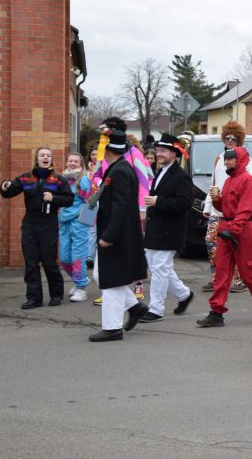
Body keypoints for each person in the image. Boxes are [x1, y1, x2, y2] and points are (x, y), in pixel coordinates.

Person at [196, 146, 252, 327]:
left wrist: (232, 230)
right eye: (225, 159)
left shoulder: (248, 181)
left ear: (238, 160)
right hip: (227, 227)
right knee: (221, 271)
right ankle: (216, 312)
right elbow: (225, 208)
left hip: (241, 230)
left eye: (229, 159)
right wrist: (216, 199)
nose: (225, 162)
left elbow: (246, 210)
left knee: (249, 272)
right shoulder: (229, 180)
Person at [88, 128, 149, 342]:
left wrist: (109, 235)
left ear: (108, 147)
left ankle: (112, 328)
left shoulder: (121, 170)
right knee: (101, 275)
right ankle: (135, 307)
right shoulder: (117, 168)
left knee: (111, 281)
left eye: (101, 145)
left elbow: (121, 207)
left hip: (117, 235)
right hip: (113, 232)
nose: (98, 149)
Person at [0, 147, 74, 309]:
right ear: (37, 158)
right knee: (31, 263)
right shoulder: (26, 178)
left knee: (49, 262)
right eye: (42, 155)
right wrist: (4, 186)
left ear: (51, 159)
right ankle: (34, 298)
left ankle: (56, 295)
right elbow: (9, 191)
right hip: (30, 224)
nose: (45, 157)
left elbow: (69, 199)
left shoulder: (59, 179)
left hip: (49, 224)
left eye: (48, 155)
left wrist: (53, 198)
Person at [92, 117, 154, 304]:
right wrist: (101, 186)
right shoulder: (104, 155)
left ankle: (134, 287)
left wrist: (142, 207)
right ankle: (132, 306)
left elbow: (144, 180)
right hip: (108, 205)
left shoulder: (133, 153)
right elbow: (96, 175)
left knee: (127, 253)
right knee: (111, 263)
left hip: (128, 209)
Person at [138, 134, 195, 323]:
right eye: (158, 150)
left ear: (174, 153)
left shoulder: (181, 176)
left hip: (170, 230)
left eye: (163, 151)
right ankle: (184, 295)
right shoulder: (160, 171)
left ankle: (156, 309)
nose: (159, 154)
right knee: (160, 268)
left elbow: (186, 203)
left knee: (160, 269)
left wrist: (158, 201)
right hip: (156, 227)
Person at [201, 121, 252, 294]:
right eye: (227, 137)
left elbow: (251, 185)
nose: (229, 140)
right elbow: (214, 183)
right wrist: (208, 205)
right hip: (218, 210)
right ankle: (216, 274)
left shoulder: (247, 160)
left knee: (236, 246)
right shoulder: (219, 158)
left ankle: (239, 280)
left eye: (233, 138)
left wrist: (244, 212)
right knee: (211, 241)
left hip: (236, 213)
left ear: (238, 139)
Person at [58, 152, 92, 302]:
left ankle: (81, 288)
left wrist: (83, 221)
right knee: (64, 258)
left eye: (75, 161)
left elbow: (90, 202)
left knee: (77, 257)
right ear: (66, 163)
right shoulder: (63, 180)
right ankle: (80, 280)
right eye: (70, 161)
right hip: (64, 221)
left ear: (81, 164)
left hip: (78, 223)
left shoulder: (83, 180)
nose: (72, 163)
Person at [86, 145, 99, 270]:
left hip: (103, 200)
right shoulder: (86, 170)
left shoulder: (104, 168)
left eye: (97, 154)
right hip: (89, 202)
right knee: (90, 229)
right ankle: (89, 257)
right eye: (92, 154)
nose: (94, 157)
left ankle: (98, 257)